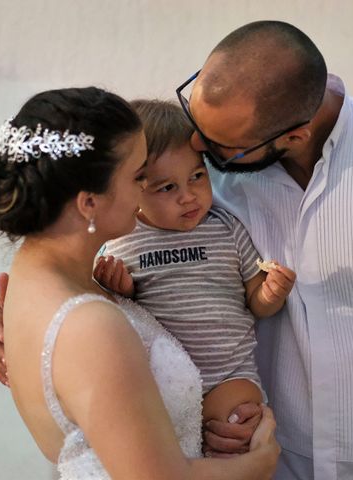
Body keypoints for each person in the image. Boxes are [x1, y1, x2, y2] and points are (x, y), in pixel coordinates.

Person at [0, 21, 353, 480]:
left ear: (290, 135)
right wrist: (39, 309)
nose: (194, 149)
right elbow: (96, 208)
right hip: (261, 459)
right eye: (192, 117)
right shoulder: (199, 174)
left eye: (215, 149)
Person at [0, 87, 279, 479]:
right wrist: (261, 461)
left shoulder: (34, 283)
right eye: (137, 176)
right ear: (89, 202)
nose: (144, 190)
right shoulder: (89, 325)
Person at [92, 99, 296, 426]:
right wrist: (123, 292)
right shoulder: (121, 242)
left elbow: (255, 303)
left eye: (198, 176)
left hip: (230, 373)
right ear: (133, 189)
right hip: (160, 379)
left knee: (236, 422)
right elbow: (117, 320)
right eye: (168, 187)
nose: (188, 196)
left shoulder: (227, 229)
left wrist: (271, 294)